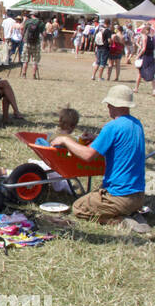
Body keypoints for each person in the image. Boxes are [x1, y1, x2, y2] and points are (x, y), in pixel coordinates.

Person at [50, 84, 147, 229]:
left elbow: (88, 155)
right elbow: (121, 142)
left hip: (120, 195)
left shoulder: (112, 126)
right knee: (96, 196)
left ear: (111, 105)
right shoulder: (136, 124)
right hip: (138, 195)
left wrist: (65, 140)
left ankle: (121, 221)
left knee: (79, 207)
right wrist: (97, 137)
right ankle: (131, 212)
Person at [20, 12, 43, 80]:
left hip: (27, 42)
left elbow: (22, 29)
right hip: (36, 43)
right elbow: (44, 33)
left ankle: (24, 74)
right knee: (35, 60)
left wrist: (23, 37)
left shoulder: (28, 21)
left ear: (32, 15)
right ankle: (34, 75)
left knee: (25, 60)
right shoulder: (41, 23)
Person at [134, 24, 155, 94]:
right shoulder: (152, 37)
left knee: (139, 72)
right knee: (152, 73)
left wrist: (138, 55)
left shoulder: (144, 37)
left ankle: (136, 88)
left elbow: (143, 49)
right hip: (151, 56)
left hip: (145, 56)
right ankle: (154, 90)